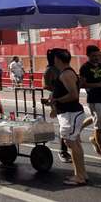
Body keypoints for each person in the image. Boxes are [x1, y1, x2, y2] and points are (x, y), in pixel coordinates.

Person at [43, 49, 88, 186]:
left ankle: (79, 176)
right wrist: (54, 100)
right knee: (74, 143)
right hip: (69, 113)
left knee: (72, 144)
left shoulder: (66, 74)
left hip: (71, 113)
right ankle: (82, 174)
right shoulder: (65, 73)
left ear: (57, 59)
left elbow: (73, 95)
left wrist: (58, 100)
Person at [43, 49, 72, 163]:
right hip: (57, 99)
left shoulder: (64, 68)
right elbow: (46, 85)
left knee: (69, 126)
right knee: (63, 126)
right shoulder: (50, 70)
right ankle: (63, 151)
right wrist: (57, 91)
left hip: (68, 99)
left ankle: (70, 148)